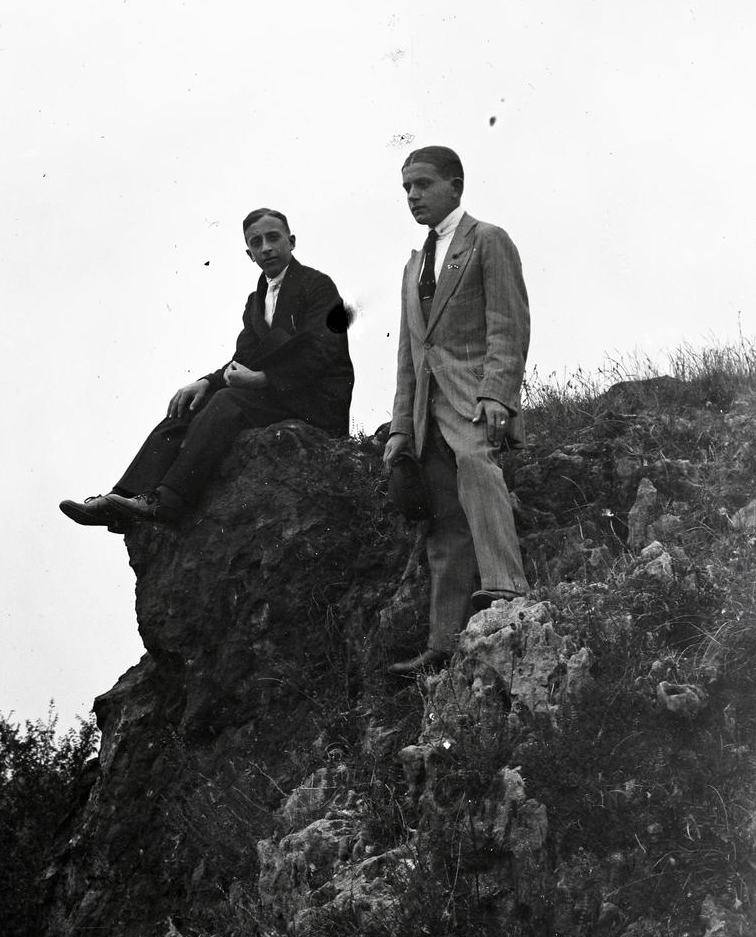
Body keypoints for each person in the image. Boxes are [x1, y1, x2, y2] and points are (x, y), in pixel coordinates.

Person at [59, 208, 353, 529]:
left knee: (227, 402)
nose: (266, 247)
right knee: (188, 407)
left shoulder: (317, 285)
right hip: (276, 397)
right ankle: (121, 499)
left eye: (273, 238)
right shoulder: (256, 301)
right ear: (249, 253)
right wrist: (204, 382)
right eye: (256, 242)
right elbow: (244, 357)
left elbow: (325, 350)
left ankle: (166, 502)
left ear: (291, 241)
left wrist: (264, 379)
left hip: (315, 400)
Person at [383, 146, 530, 675]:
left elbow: (508, 323)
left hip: (472, 397)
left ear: (455, 185)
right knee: (442, 523)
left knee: (477, 468)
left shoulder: (488, 240)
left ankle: (506, 589)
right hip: (426, 411)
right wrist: (401, 427)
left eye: (422, 184)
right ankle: (443, 643)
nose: (413, 196)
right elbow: (408, 351)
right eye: (406, 188)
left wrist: (497, 393)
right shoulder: (414, 263)